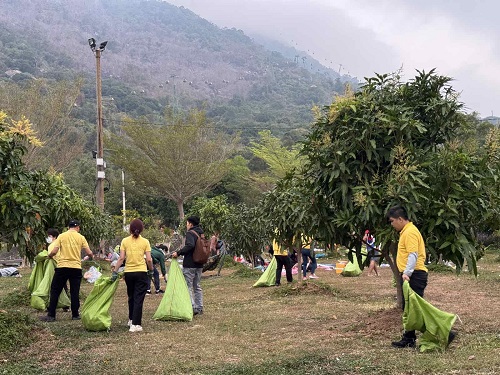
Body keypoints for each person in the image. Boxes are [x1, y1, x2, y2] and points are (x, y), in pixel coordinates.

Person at [387, 206, 429, 348]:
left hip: (414, 275)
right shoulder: (406, 231)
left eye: (392, 221)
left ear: (400, 219)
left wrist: (407, 273)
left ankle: (444, 332)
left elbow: (413, 254)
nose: (391, 224)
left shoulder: (410, 232)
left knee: (416, 309)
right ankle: (409, 338)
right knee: (409, 308)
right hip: (412, 274)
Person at [40, 220, 93, 322]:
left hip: (62, 267)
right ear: (77, 227)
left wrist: (49, 256)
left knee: (55, 290)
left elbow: (54, 251)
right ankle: (75, 314)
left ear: (69, 227)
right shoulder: (81, 237)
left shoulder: (61, 236)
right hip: (76, 268)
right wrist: (91, 256)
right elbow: (89, 252)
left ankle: (51, 315)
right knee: (75, 291)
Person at [111, 218, 154, 333]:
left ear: (130, 229)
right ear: (141, 229)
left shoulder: (125, 241)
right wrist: (151, 270)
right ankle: (136, 324)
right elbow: (149, 260)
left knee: (131, 297)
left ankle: (131, 319)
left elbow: (121, 258)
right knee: (139, 298)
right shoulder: (145, 242)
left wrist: (115, 271)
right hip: (141, 273)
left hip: (129, 273)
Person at [172, 216, 204, 316]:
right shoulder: (201, 233)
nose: (186, 225)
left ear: (190, 224)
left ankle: (193, 307)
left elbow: (190, 245)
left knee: (188, 286)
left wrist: (179, 252)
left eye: (187, 223)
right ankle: (200, 307)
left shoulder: (190, 233)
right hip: (199, 263)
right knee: (197, 286)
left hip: (190, 264)